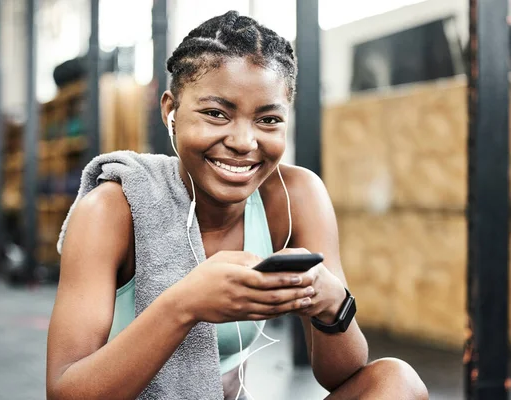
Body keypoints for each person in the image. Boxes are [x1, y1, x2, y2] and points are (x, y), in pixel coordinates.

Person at [46, 11, 428, 400]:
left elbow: (340, 375)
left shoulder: (295, 197)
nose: (245, 142)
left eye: (268, 119)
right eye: (216, 113)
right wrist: (184, 304)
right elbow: (65, 392)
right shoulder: (111, 210)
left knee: (395, 382)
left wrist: (333, 305)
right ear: (170, 111)